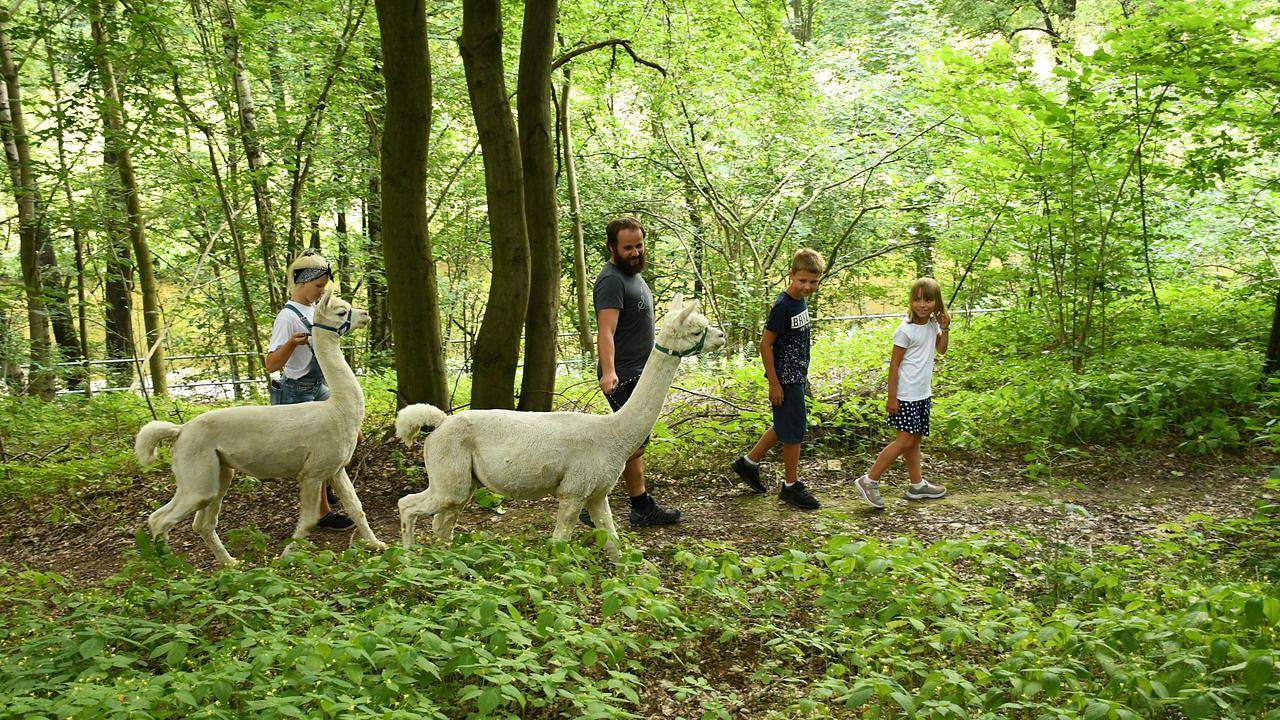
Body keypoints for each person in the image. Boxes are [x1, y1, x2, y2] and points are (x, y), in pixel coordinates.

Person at [580, 217, 681, 528]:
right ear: (612, 248)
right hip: (623, 374)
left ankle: (636, 504)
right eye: (628, 247)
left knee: (634, 443)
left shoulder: (633, 275)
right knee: (629, 442)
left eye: (639, 245)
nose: (636, 252)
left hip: (641, 372)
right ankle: (592, 501)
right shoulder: (611, 281)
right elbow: (606, 332)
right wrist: (609, 372)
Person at [265, 250, 354, 531]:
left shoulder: (313, 311)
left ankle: (324, 488)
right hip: (297, 391)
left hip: (319, 387)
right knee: (317, 453)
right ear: (302, 283)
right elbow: (270, 364)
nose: (321, 292)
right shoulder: (287, 317)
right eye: (318, 287)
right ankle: (322, 513)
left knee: (352, 432)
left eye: (324, 288)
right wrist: (292, 343)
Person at [730, 248, 825, 510]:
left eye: (813, 282)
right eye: (802, 281)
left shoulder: (800, 302)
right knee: (793, 433)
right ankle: (790, 486)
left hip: (796, 375)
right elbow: (765, 345)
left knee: (785, 423)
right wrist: (774, 382)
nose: (807, 286)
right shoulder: (783, 306)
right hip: (785, 378)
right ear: (790, 276)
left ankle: (747, 464)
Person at [852, 277, 951, 509]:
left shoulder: (933, 324)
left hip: (922, 393)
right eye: (917, 300)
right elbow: (894, 366)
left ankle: (917, 485)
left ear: (936, 302)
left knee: (914, 439)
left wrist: (945, 328)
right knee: (904, 440)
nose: (922, 305)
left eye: (928, 300)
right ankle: (869, 479)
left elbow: (941, 349)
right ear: (911, 301)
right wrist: (891, 397)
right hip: (905, 394)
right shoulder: (904, 330)